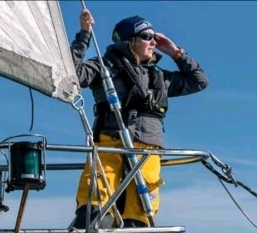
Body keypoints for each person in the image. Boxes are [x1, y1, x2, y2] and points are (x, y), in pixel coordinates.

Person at [69, 9, 209, 229]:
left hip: (148, 149)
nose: (153, 42)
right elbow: (71, 73)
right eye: (147, 37)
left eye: (154, 37)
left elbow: (199, 81)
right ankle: (93, 224)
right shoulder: (103, 67)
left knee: (140, 211)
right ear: (129, 41)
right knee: (96, 197)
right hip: (110, 142)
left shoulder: (160, 77)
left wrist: (176, 53)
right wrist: (84, 35)